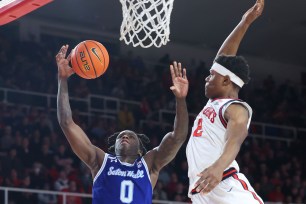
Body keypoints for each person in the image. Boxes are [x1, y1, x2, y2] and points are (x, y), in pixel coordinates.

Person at [55, 45, 189, 204]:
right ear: (113, 147)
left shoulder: (149, 164)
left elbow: (178, 137)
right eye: (120, 136)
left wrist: (180, 100)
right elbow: (67, 123)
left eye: (131, 136)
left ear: (139, 149)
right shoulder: (100, 161)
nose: (124, 136)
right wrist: (62, 80)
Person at [185, 0, 265, 203]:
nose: (206, 78)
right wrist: (244, 23)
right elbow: (223, 58)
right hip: (204, 189)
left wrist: (219, 167)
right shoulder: (213, 104)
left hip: (225, 185)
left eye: (211, 75)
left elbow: (235, 138)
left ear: (226, 80)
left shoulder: (235, 108)